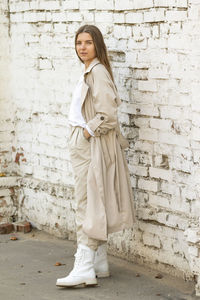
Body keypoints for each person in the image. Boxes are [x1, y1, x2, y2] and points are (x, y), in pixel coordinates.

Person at [56, 24, 135, 288]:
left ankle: (85, 266)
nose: (82, 47)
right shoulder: (90, 70)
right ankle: (99, 261)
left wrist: (87, 132)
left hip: (91, 144)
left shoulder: (97, 72)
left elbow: (108, 115)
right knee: (92, 200)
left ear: (97, 45)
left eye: (88, 42)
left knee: (86, 203)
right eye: (79, 42)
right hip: (83, 142)